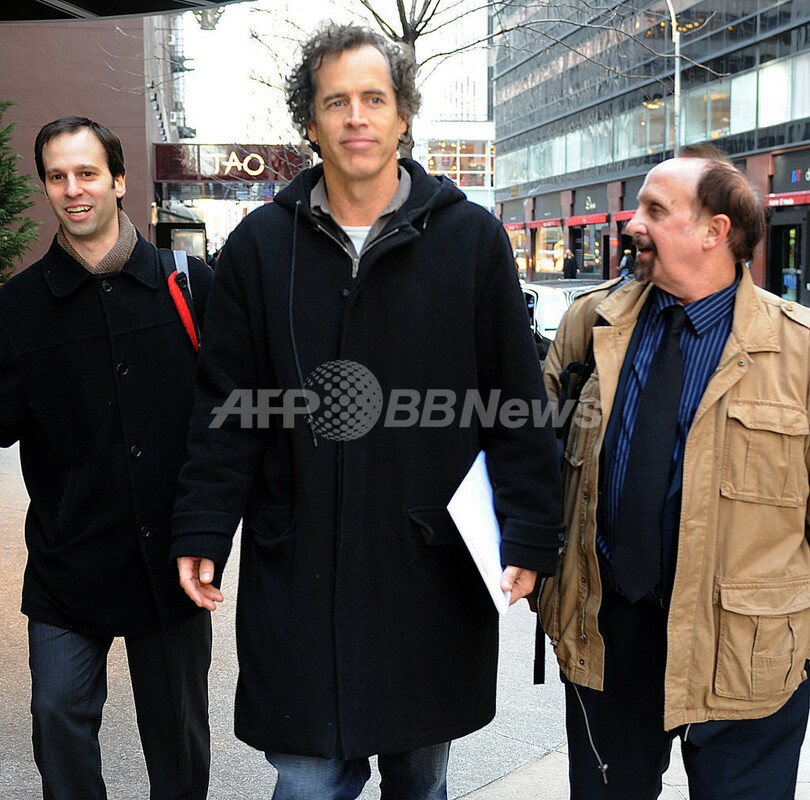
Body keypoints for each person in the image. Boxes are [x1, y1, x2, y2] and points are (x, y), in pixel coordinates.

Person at [171, 23, 564, 800]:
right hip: (303, 569)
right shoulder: (259, 247)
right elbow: (227, 410)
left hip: (427, 568)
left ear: (402, 115)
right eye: (336, 101)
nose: (357, 116)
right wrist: (203, 525)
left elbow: (515, 402)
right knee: (308, 781)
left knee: (420, 779)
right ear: (310, 122)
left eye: (374, 99)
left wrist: (528, 529)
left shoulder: (472, 241)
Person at [540, 143, 810, 799]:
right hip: (608, 635)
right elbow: (533, 453)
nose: (633, 223)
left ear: (715, 231)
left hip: (747, 650)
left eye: (656, 211)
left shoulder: (800, 349)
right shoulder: (590, 323)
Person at [0, 117, 213, 800]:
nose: (73, 189)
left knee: (179, 742)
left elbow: (230, 422)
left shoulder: (190, 285)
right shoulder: (17, 308)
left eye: (87, 173)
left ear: (119, 181)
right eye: (57, 177)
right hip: (68, 561)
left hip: (172, 563)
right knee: (56, 716)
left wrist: (211, 530)